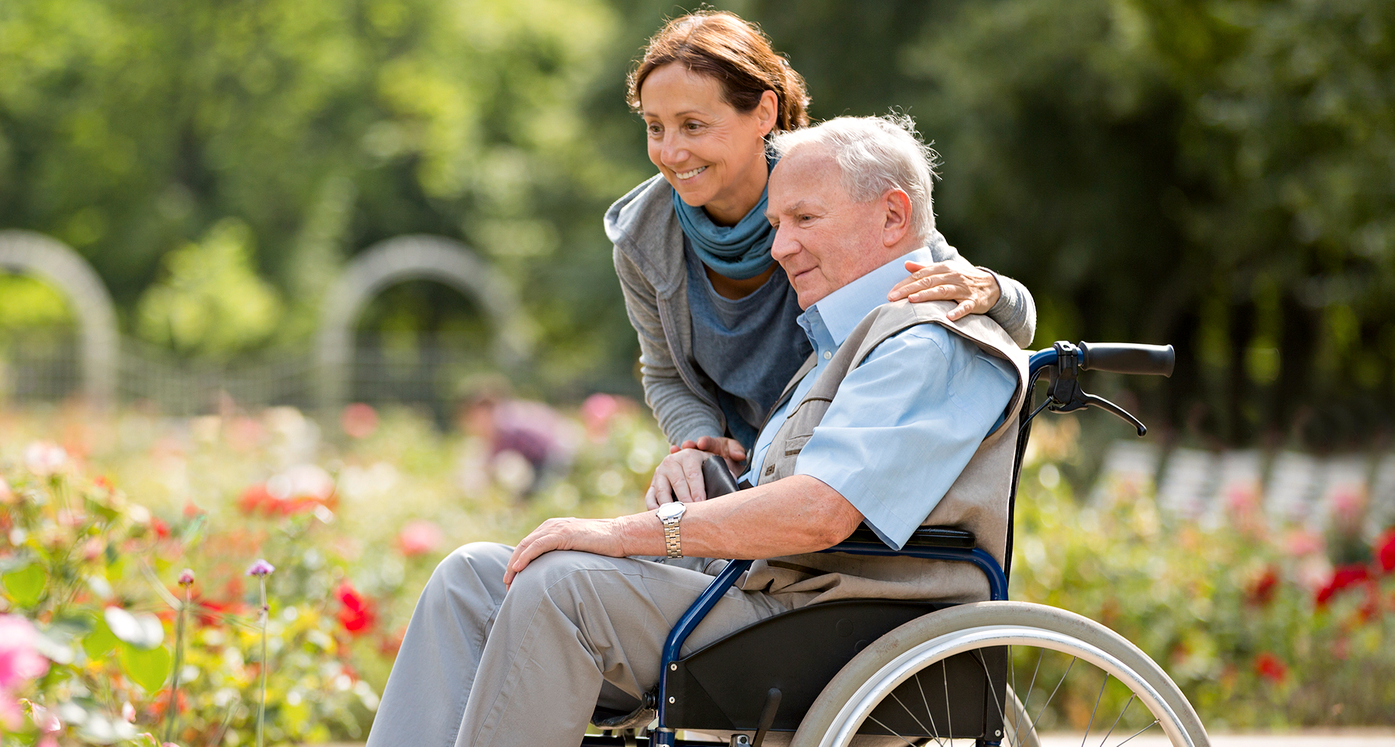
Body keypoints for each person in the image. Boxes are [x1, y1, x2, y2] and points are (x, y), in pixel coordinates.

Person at [366, 115, 1027, 747]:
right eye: (775, 222)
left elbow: (821, 511)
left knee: (561, 587)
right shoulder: (843, 338)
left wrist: (622, 535)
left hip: (834, 623)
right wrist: (709, 473)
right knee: (474, 578)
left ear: (892, 216)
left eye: (804, 219)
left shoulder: (926, 341)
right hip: (763, 599)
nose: (780, 246)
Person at [605, 11, 1037, 507]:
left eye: (694, 125)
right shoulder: (641, 238)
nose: (671, 151)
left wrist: (992, 289)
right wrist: (700, 445)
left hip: (839, 472)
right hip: (744, 484)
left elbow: (979, 301)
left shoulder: (833, 189)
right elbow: (664, 374)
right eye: (655, 127)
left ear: (764, 113)